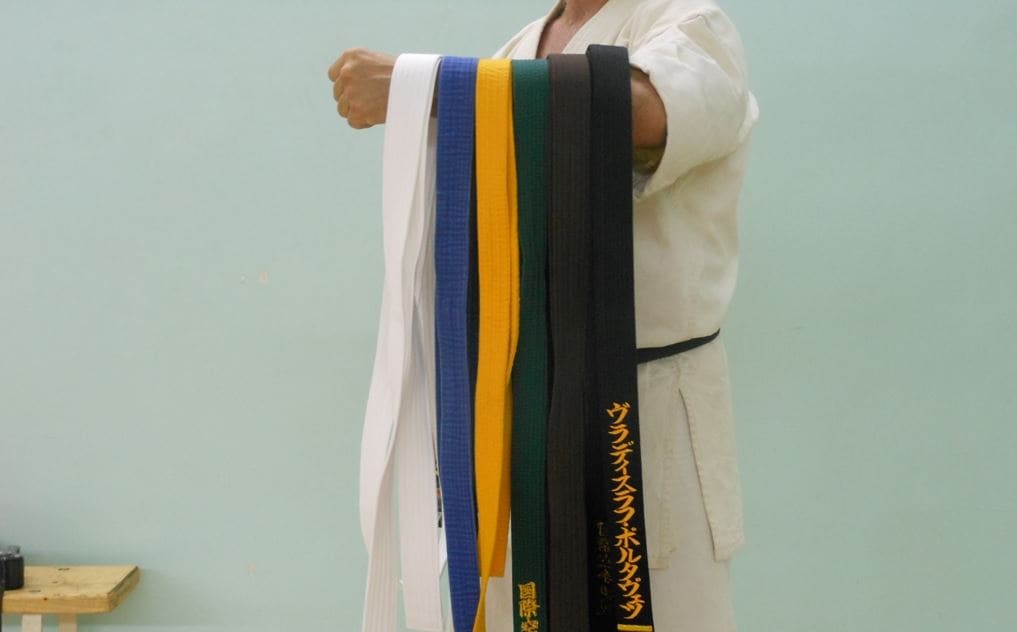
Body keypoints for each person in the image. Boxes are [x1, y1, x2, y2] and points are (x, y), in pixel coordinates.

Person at [327, 1, 758, 630]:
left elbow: (645, 112)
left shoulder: (690, 24)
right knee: (518, 606)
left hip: (643, 405)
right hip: (520, 398)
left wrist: (425, 83)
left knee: (660, 606)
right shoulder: (524, 44)